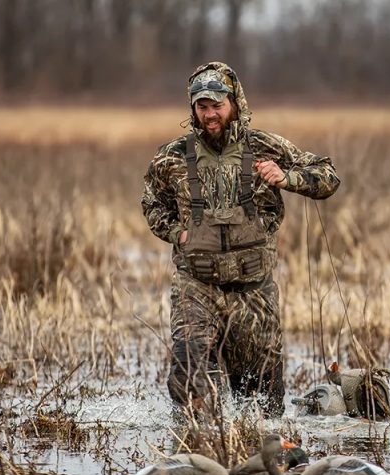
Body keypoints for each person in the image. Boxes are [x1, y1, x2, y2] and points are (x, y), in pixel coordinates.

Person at [141, 62, 340, 418]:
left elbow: (328, 176)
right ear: (192, 109)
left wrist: (287, 178)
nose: (209, 114)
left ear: (234, 104)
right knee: (190, 382)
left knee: (262, 407)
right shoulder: (171, 156)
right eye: (201, 106)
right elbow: (152, 204)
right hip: (196, 287)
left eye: (217, 105)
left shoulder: (265, 145)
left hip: (254, 291)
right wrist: (177, 233)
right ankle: (198, 456)